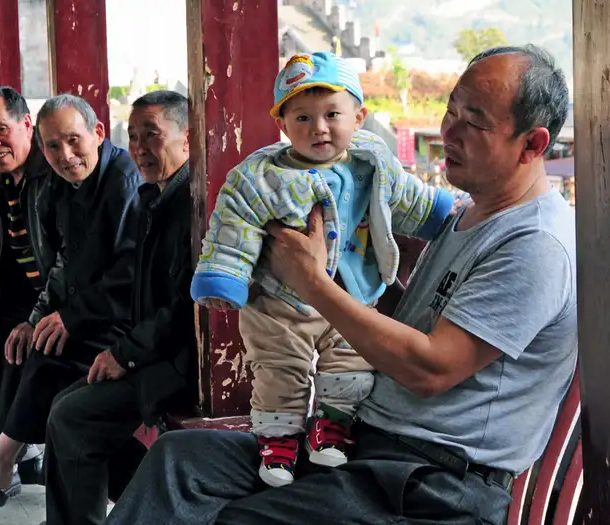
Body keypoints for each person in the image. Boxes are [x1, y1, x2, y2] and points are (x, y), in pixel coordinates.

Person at [105, 44, 577, 525]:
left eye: (474, 122)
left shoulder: (535, 244)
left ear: (532, 144)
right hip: (368, 445)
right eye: (451, 110)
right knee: (176, 461)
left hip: (431, 483)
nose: (449, 131)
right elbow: (392, 307)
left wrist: (313, 283)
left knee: (235, 520)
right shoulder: (470, 214)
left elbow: (431, 371)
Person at [190, 51, 456, 486]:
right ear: (282, 125)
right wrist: (223, 275)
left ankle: (333, 424)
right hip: (279, 301)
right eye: (303, 118)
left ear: (359, 117)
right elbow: (233, 225)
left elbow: (406, 198)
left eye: (333, 114)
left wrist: (439, 210)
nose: (319, 128)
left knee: (352, 363)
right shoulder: (261, 177)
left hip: (353, 295)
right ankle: (278, 441)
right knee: (279, 368)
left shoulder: (373, 164)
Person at [0, 92, 145, 509]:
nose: (65, 154)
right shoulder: (55, 181)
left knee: (52, 375)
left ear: (98, 133)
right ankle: (7, 459)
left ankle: (3, 462)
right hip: (81, 309)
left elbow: (126, 275)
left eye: (1, 129)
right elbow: (53, 260)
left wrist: (60, 317)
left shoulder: (116, 180)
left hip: (130, 325)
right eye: (54, 146)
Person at [40, 90, 197, 525]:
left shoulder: (191, 207)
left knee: (74, 418)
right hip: (151, 351)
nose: (140, 148)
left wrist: (124, 355)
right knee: (62, 403)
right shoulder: (156, 198)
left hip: (182, 364)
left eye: (152, 135)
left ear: (188, 138)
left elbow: (182, 309)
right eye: (134, 137)